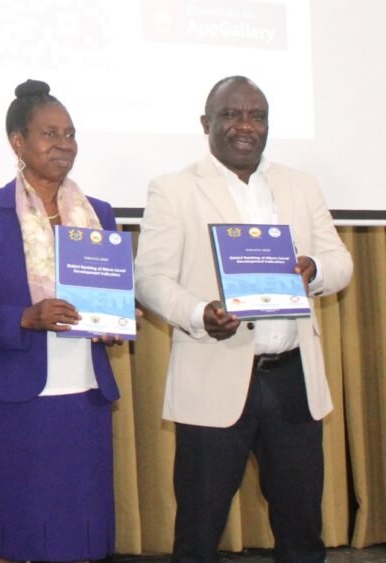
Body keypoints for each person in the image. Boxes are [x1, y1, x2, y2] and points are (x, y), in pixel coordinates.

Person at [134, 76, 353, 563]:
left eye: (257, 115)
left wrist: (313, 270)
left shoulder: (300, 185)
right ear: (206, 123)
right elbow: (149, 278)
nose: (245, 126)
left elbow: (340, 262)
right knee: (198, 533)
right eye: (231, 115)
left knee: (301, 532)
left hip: (293, 378)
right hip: (214, 374)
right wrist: (199, 314)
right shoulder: (174, 189)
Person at [0, 79, 120, 562]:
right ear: (18, 142)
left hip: (85, 396)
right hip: (14, 401)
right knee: (16, 533)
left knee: (80, 537)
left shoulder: (100, 215)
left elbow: (109, 296)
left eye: (69, 133)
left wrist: (119, 316)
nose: (63, 144)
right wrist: (25, 317)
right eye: (49, 133)